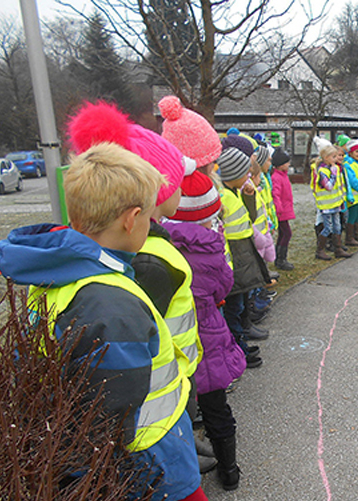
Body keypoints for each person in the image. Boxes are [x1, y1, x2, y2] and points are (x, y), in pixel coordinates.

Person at [0, 143, 206, 501]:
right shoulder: (112, 308)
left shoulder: (63, 274)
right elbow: (107, 421)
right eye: (147, 218)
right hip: (149, 465)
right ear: (131, 218)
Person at [65, 100, 214, 473]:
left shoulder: (104, 268)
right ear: (134, 219)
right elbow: (117, 390)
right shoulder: (133, 277)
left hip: (159, 411)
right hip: (150, 431)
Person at [162, 170, 246, 491]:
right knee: (216, 406)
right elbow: (224, 286)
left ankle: (186, 467)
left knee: (177, 408)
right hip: (207, 338)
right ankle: (229, 470)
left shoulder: (156, 245)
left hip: (172, 340)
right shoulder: (211, 247)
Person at [216, 146, 272, 350]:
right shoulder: (223, 196)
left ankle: (244, 332)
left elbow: (248, 217)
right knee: (235, 303)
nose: (249, 176)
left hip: (244, 248)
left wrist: (248, 197)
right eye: (246, 173)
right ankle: (238, 342)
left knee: (243, 296)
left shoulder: (236, 192)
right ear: (234, 174)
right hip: (234, 252)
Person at [311, 137, 352, 260]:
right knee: (327, 227)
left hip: (336, 203)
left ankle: (338, 248)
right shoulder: (323, 171)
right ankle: (320, 250)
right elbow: (328, 186)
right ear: (326, 158)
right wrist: (334, 173)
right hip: (326, 205)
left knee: (337, 226)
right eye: (334, 157)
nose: (337, 159)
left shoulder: (335, 168)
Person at [270, 147, 295, 270]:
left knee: (283, 233)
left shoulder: (283, 175)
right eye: (287, 162)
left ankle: (279, 258)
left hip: (284, 209)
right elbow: (276, 194)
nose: (289, 164)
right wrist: (279, 209)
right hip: (281, 211)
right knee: (286, 233)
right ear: (280, 164)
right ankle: (281, 259)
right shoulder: (276, 177)